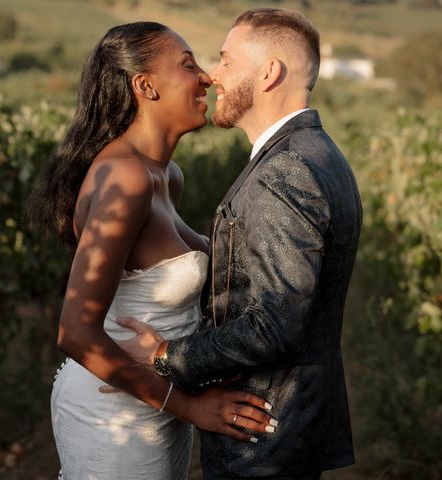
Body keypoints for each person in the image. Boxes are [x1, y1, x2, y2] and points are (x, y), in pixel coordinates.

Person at [116, 8, 362, 480]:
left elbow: (273, 322)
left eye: (227, 60)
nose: (213, 75)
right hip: (288, 427)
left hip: (262, 434)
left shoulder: (284, 171)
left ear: (269, 73)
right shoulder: (322, 154)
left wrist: (169, 356)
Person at [27, 22, 276, 480]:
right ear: (145, 85)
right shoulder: (126, 178)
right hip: (115, 414)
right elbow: (76, 332)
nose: (205, 77)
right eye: (187, 65)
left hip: (157, 406)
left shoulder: (166, 175)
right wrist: (191, 408)